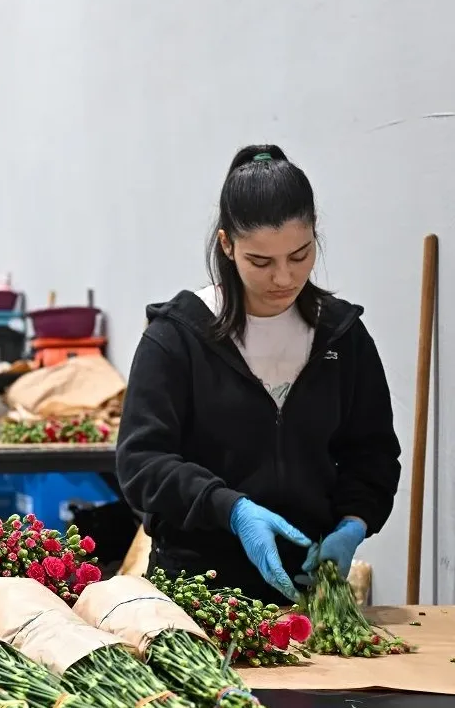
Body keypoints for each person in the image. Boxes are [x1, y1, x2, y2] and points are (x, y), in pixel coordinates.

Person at [115, 145, 402, 606]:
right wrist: (233, 511)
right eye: (261, 262)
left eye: (301, 254)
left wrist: (353, 523)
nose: (285, 278)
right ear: (227, 245)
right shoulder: (178, 337)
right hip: (197, 595)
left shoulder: (340, 336)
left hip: (308, 594)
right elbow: (141, 463)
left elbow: (372, 454)